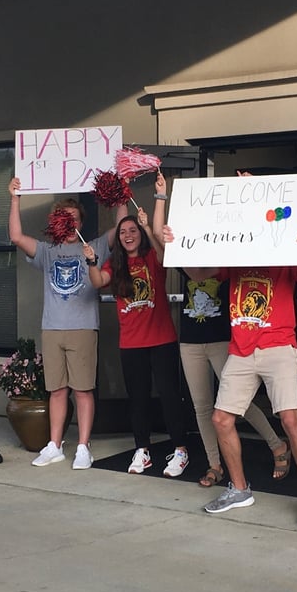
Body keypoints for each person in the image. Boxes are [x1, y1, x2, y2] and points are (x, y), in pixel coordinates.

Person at [163, 218, 297, 526]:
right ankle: (238, 488)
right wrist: (174, 246)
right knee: (221, 419)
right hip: (241, 347)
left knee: (290, 419)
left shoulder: (283, 244)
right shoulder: (235, 252)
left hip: (278, 343)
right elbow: (198, 274)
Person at [8, 176, 127, 469]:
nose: (70, 223)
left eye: (74, 218)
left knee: (83, 389)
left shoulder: (96, 245)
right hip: (52, 328)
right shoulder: (47, 251)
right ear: (56, 221)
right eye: (65, 218)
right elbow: (16, 237)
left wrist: (121, 194)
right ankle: (55, 444)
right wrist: (14, 198)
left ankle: (84, 447)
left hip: (83, 327)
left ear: (81, 222)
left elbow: (122, 229)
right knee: (57, 390)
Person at [83, 171, 187, 476]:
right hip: (131, 344)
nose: (128, 235)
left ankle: (180, 449)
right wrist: (90, 261)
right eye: (123, 231)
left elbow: (163, 247)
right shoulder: (113, 265)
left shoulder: (152, 259)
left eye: (133, 231)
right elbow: (97, 282)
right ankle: (142, 450)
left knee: (169, 397)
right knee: (138, 399)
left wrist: (156, 204)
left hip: (162, 340)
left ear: (140, 234)